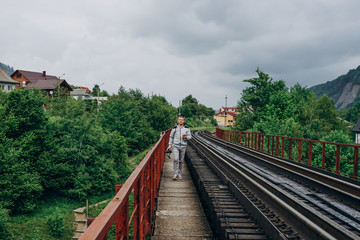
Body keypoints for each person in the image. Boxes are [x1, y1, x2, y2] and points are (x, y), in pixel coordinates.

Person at [166, 115, 192, 180]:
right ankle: (175, 174)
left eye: (182, 120)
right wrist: (169, 145)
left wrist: (186, 137)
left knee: (181, 160)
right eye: (179, 119)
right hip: (176, 146)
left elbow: (190, 137)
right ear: (177, 120)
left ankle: (179, 174)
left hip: (183, 146)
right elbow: (171, 137)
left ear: (184, 121)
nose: (180, 121)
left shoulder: (187, 128)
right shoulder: (174, 128)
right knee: (176, 159)